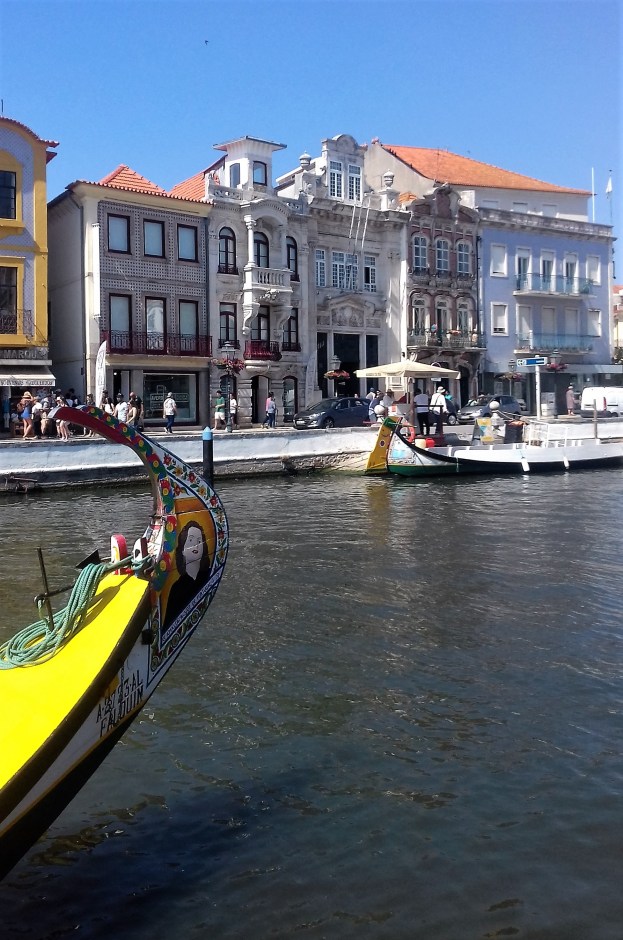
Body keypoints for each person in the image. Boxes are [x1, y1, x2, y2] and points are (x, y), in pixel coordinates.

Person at [163, 520, 212, 629]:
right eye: (190, 540)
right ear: (183, 549)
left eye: (199, 541)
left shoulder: (209, 575)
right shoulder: (176, 588)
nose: (196, 545)